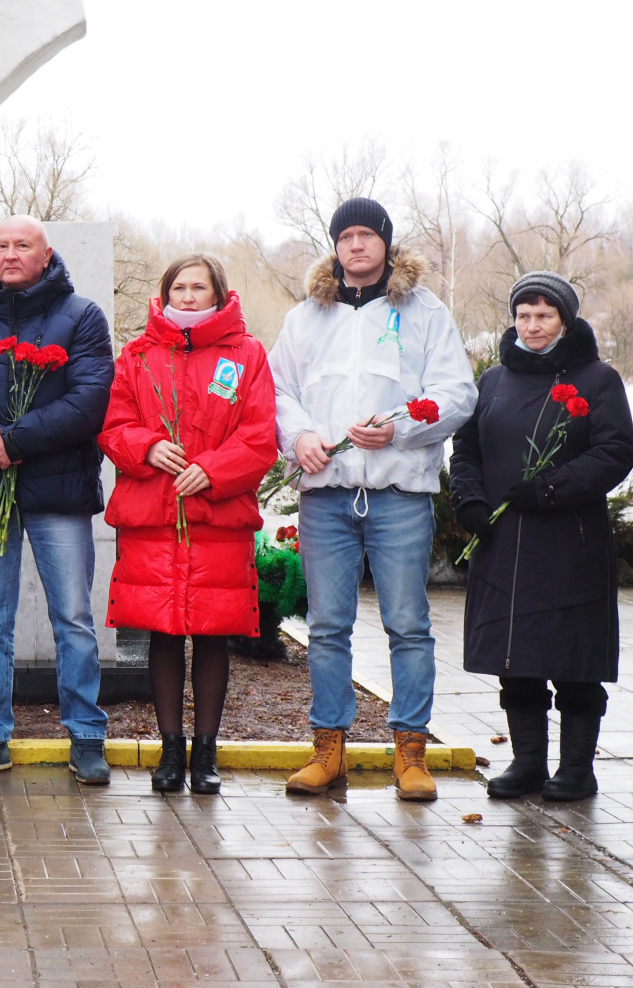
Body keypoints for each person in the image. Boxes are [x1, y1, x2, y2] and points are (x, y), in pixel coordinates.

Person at [271, 197, 477, 801]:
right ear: (334, 245)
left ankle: (410, 753)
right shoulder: (306, 316)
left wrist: (401, 430)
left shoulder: (423, 311)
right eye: (347, 236)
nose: (357, 245)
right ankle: (327, 750)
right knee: (328, 627)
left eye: (368, 235)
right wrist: (301, 436)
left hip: (398, 495)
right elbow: (279, 390)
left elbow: (457, 394)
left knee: (409, 625)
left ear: (386, 243)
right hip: (327, 497)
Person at [0, 215, 114, 784]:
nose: (10, 254)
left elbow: (89, 402)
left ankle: (85, 736)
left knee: (75, 619)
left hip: (59, 491)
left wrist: (16, 441)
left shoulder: (81, 317)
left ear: (45, 253)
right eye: (2, 245)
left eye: (22, 245)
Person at [99, 254, 277, 796]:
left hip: (215, 518)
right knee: (163, 634)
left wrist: (212, 470)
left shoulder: (246, 356)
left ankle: (206, 752)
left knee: (213, 634)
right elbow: (113, 426)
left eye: (199, 287)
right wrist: (148, 446)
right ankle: (170, 750)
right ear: (165, 292)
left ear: (219, 294)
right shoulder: (137, 354)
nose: (188, 296)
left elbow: (260, 434)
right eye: (179, 286)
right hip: (155, 516)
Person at [451, 273, 633, 801]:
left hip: (570, 541)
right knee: (517, 655)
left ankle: (577, 768)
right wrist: (470, 502)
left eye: (544, 315)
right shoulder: (493, 381)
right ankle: (528, 761)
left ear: (565, 320)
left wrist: (549, 488)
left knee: (573, 658)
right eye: (523, 315)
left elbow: (615, 451)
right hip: (504, 541)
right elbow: (467, 449)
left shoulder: (596, 379)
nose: (532, 325)